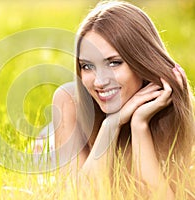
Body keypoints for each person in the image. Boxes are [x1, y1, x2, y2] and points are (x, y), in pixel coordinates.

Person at [52, 1, 195, 198]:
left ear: (142, 61)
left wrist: (139, 127)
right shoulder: (69, 102)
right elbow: (76, 196)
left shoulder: (176, 116)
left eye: (114, 63)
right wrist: (111, 125)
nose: (100, 82)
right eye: (87, 66)